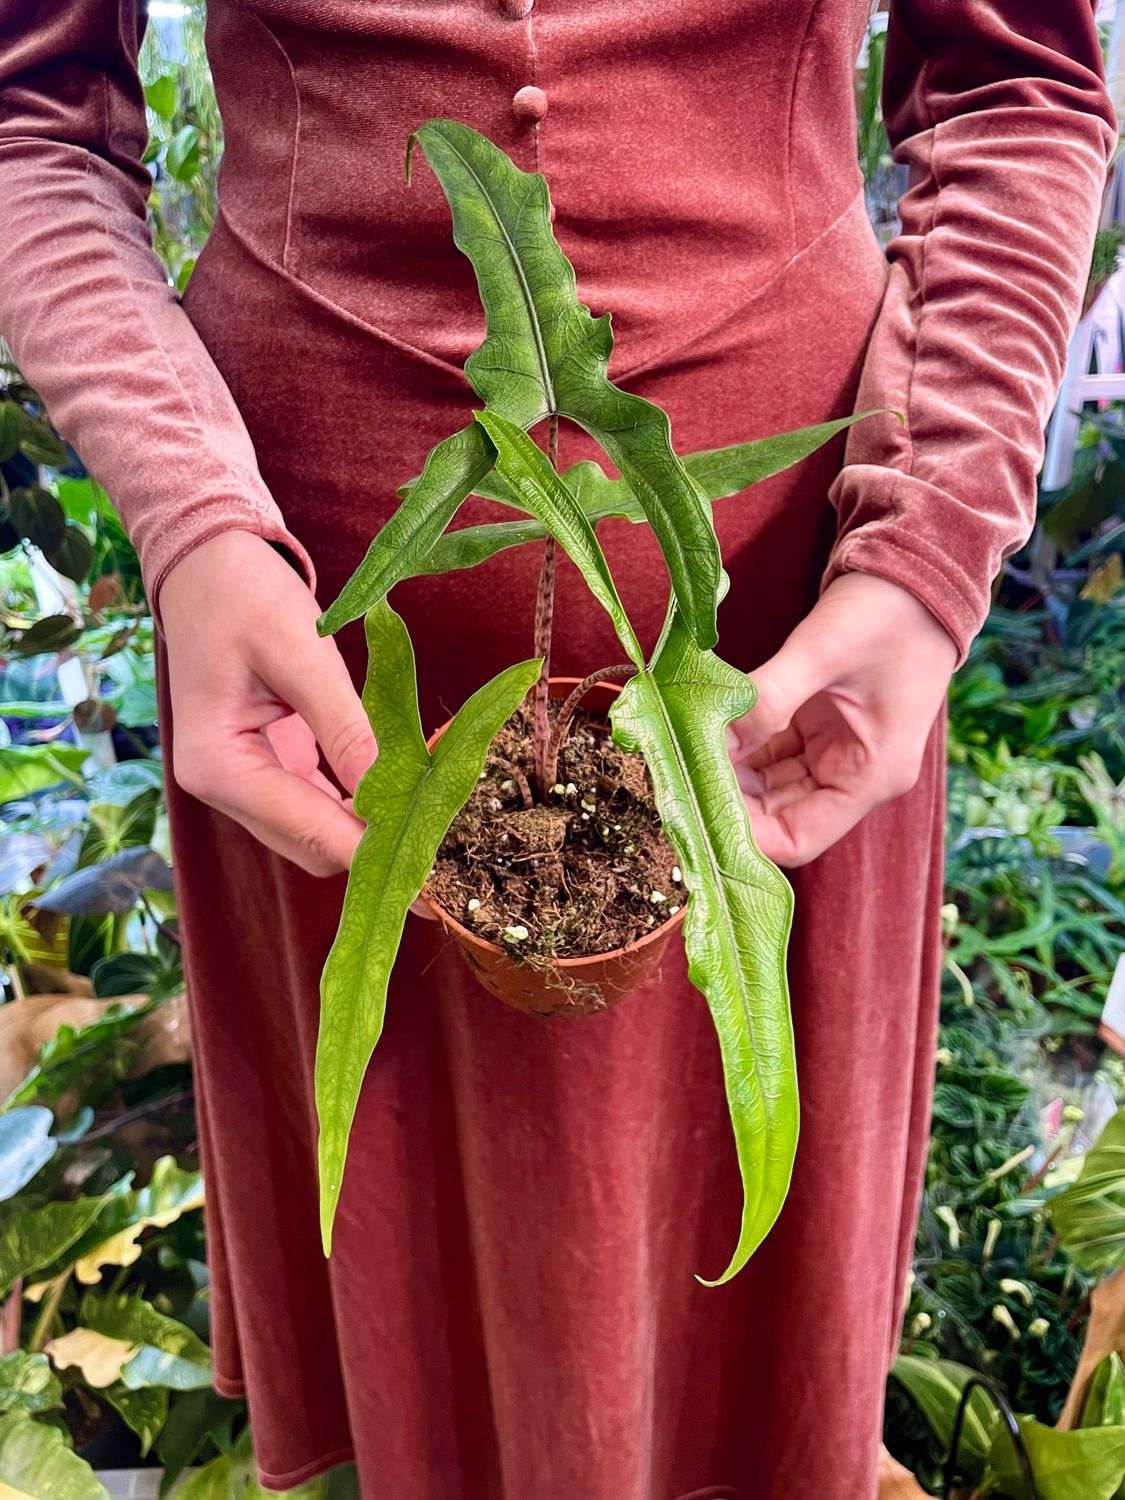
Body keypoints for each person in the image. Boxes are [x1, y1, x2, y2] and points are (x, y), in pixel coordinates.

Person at [0, 3, 1114, 1497]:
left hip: (790, 661)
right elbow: (32, 116)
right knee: (411, 1259)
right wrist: (189, 517)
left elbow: (1012, 88)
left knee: (739, 1244)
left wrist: (926, 553)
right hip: (304, 654)